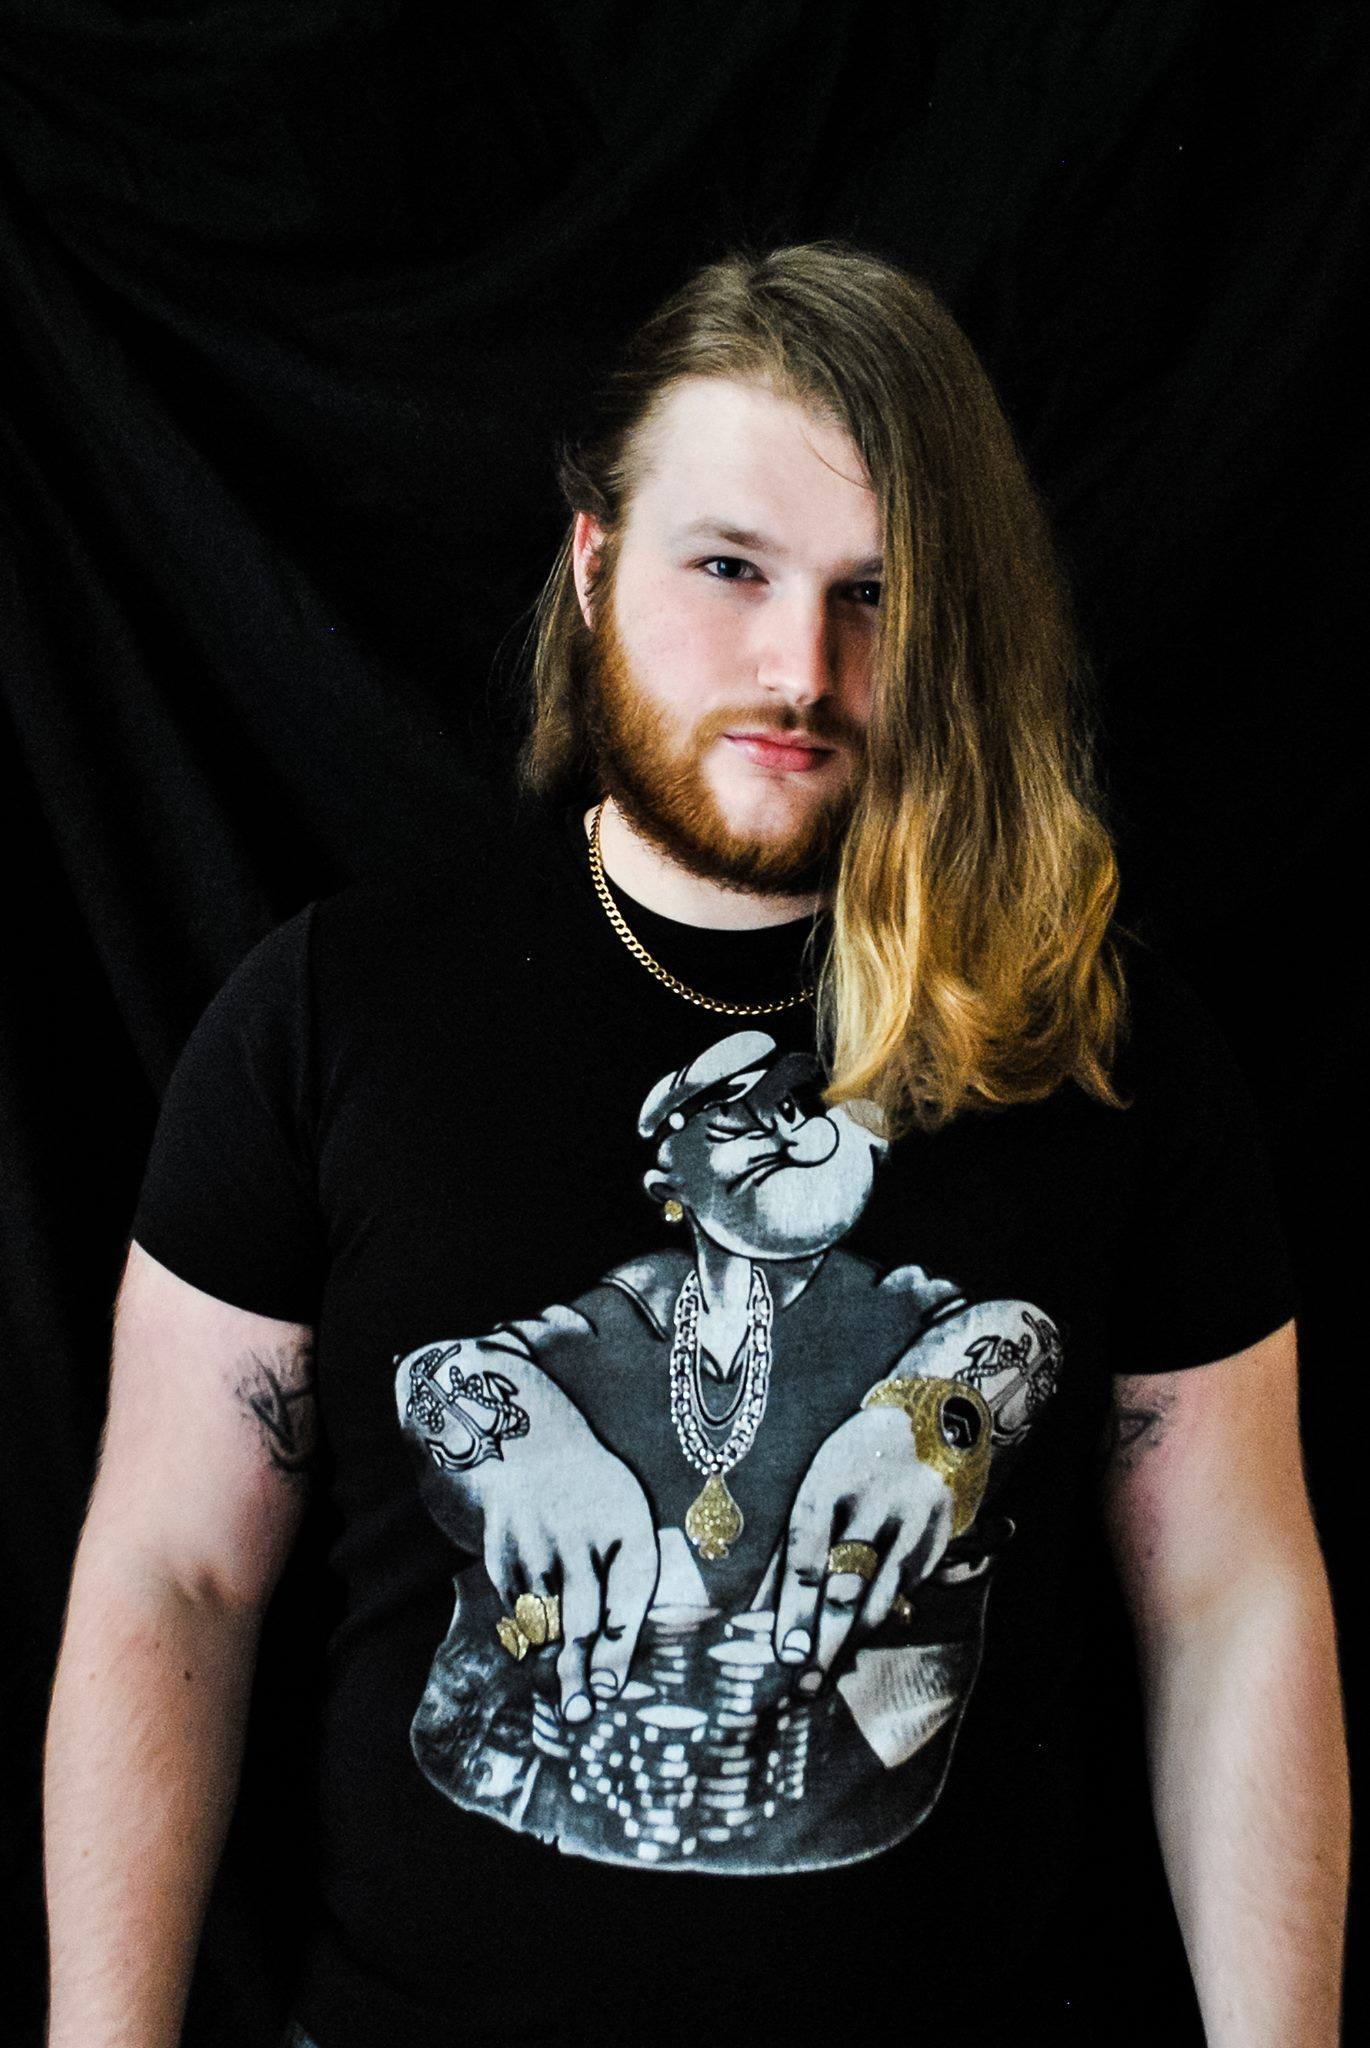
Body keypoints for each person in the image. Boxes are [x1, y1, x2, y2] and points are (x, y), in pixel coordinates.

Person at [42, 241, 1349, 2048]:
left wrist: (937, 1411)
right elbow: (173, 1570)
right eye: (728, 567)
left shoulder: (1095, 1044)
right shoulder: (334, 1015)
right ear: (593, 565)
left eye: (875, 593)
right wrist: (517, 1436)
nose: (800, 666)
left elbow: (1229, 1595)